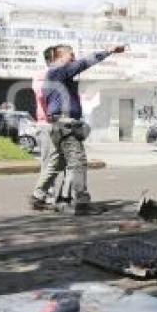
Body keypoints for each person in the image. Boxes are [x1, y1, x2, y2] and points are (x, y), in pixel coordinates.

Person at [31, 43, 126, 215]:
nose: (73, 58)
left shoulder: (53, 77)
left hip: (58, 125)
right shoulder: (58, 70)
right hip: (66, 125)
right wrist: (109, 51)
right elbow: (83, 63)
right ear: (59, 58)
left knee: (56, 163)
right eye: (70, 55)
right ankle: (82, 203)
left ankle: (37, 198)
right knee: (78, 162)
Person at [29, 46, 65, 209]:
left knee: (59, 162)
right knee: (48, 163)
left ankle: (59, 195)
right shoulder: (41, 76)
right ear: (51, 59)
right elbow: (42, 95)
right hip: (46, 124)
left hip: (60, 124)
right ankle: (45, 195)